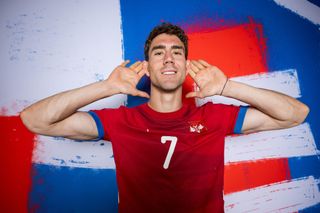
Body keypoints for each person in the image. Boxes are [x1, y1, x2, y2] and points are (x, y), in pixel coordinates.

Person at [21, 22, 309, 212]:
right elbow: (36, 119)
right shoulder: (121, 122)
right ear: (147, 66)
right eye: (159, 52)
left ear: (185, 65)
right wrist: (105, 87)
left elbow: (295, 114)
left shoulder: (214, 116)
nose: (169, 58)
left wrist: (227, 87)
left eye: (177, 52)